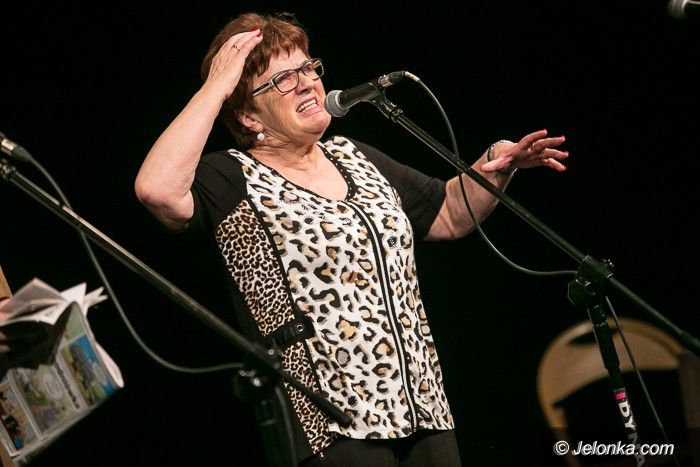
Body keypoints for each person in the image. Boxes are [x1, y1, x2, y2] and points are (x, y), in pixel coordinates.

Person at [134, 11, 568, 466]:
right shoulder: (231, 177)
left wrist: (499, 164)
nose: (306, 84)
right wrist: (216, 87)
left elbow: (449, 212)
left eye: (308, 69)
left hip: (423, 407)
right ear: (246, 113)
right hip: (331, 424)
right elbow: (157, 189)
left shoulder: (355, 156)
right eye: (282, 80)